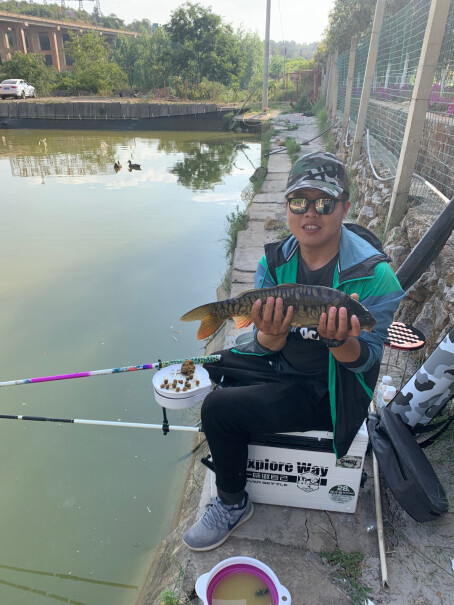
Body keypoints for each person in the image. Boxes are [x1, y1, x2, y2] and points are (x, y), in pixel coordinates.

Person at [183, 151, 405, 552]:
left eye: (324, 203)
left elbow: (368, 361)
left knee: (217, 408)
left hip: (329, 389)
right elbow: (265, 346)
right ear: (287, 206)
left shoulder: (377, 275)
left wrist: (340, 340)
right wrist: (269, 333)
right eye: (299, 202)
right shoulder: (274, 260)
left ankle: (232, 502)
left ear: (345, 208)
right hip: (281, 362)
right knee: (217, 367)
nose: (310, 213)